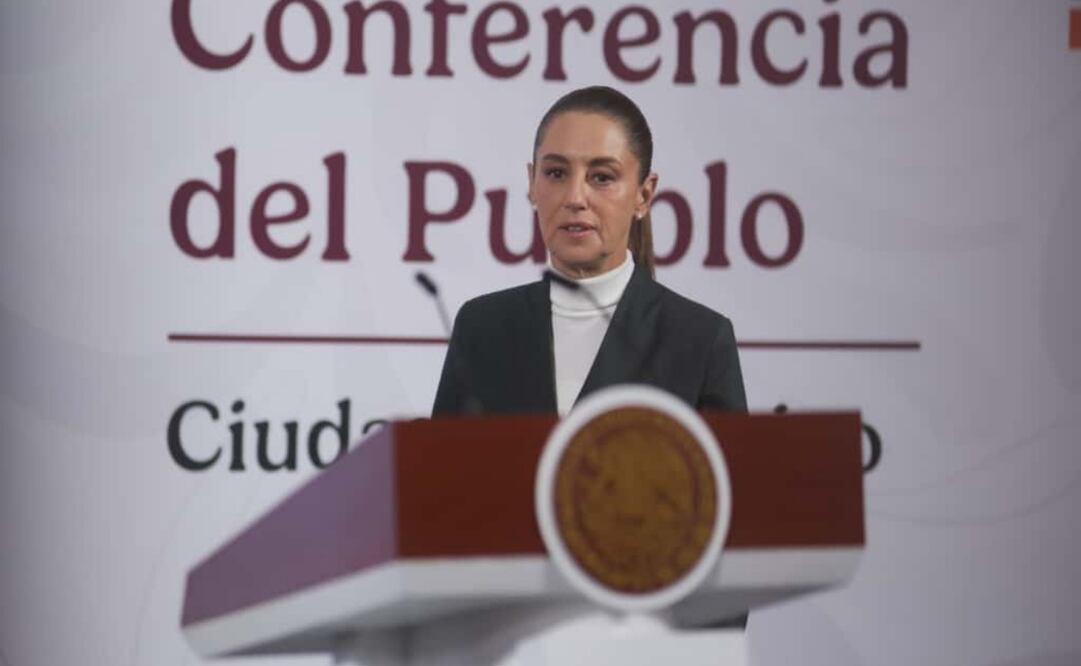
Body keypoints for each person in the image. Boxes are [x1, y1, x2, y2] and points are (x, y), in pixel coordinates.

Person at [432, 86, 746, 418]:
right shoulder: (482, 327)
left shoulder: (699, 339)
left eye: (601, 177)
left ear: (644, 195)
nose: (575, 198)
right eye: (556, 173)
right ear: (532, 182)